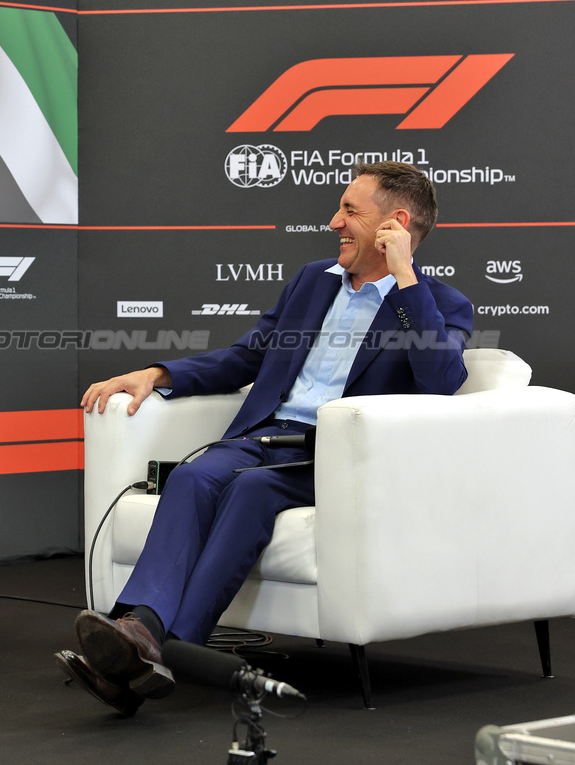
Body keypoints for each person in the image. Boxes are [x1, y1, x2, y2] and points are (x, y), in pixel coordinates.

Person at [61, 161, 473, 716]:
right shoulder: (312, 281)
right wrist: (159, 375)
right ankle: (143, 635)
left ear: (394, 224)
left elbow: (442, 382)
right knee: (195, 473)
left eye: (350, 211)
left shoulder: (439, 304)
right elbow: (246, 356)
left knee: (252, 490)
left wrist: (405, 279)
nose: (335, 222)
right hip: (266, 434)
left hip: (331, 454)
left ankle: (150, 648)